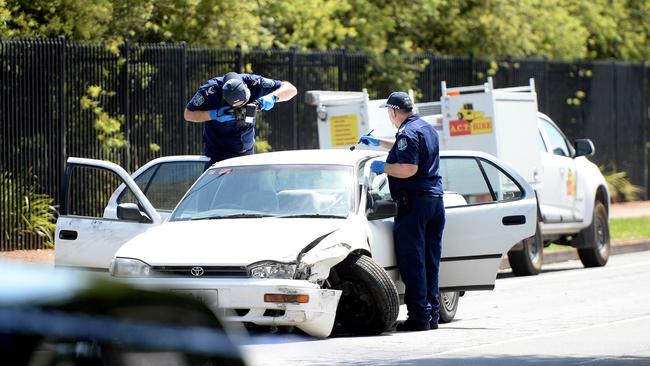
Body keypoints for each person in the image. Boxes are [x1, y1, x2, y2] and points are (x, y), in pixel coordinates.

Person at [359, 91, 445, 332]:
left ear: (394, 111)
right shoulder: (425, 128)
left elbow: (408, 168)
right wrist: (379, 143)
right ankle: (432, 315)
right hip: (435, 201)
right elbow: (404, 147)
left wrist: (383, 166)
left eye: (389, 111)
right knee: (430, 261)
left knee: (413, 260)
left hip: (414, 203)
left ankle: (419, 318)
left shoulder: (407, 132)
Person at [184, 72, 297, 164]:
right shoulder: (210, 91)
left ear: (246, 88)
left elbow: (291, 89)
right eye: (236, 108)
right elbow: (188, 114)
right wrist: (214, 114)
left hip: (246, 153)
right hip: (217, 154)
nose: (241, 110)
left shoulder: (254, 82)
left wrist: (273, 97)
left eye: (245, 104)